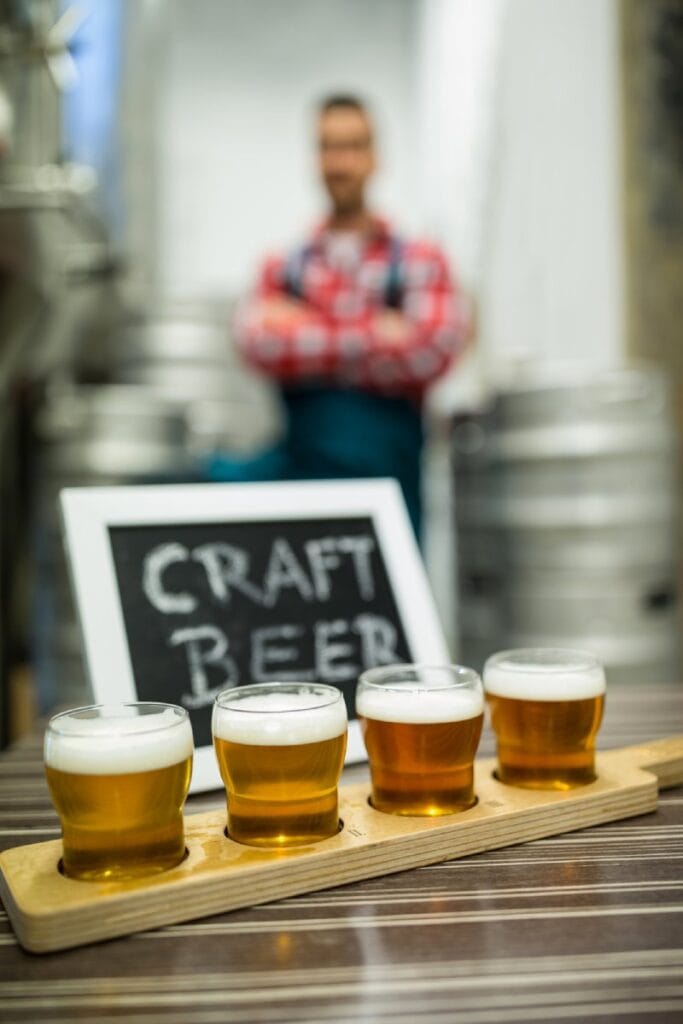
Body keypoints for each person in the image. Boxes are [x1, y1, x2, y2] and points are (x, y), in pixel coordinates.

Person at [208, 93, 468, 536]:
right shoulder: (283, 266)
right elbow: (254, 342)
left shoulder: (420, 260)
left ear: (374, 156)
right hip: (302, 494)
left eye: (353, 146)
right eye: (328, 147)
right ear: (315, 157)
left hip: (392, 500)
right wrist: (379, 332)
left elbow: (432, 349)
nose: (340, 162)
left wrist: (308, 326)